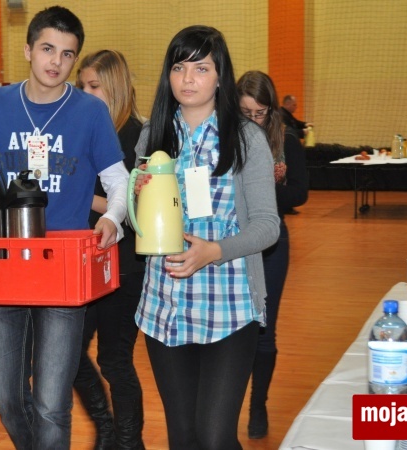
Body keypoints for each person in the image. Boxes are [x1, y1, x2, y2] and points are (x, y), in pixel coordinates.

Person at [0, 6, 128, 449]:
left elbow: (118, 180)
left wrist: (112, 217)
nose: (56, 61)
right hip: (4, 265)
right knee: (7, 399)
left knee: (51, 404)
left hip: (63, 270)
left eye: (67, 54)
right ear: (28, 49)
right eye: (48, 49)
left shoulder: (90, 111)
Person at [133, 26, 280, 449]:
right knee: (183, 437)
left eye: (201, 68)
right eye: (179, 67)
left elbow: (268, 225)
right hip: (165, 306)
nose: (188, 79)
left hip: (228, 306)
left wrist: (215, 251)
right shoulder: (154, 134)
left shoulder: (246, 138)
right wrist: (136, 200)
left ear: (220, 77)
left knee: (215, 437)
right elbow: (138, 223)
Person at [75, 49, 145, 449]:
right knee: (68, 355)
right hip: (86, 260)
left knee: (115, 361)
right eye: (82, 86)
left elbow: (140, 213)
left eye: (94, 86)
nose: (85, 93)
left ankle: (128, 442)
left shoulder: (137, 136)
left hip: (125, 264)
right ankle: (106, 431)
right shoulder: (88, 130)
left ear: (115, 87)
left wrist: (86, 197)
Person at [237, 70, 309, 440]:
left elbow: (300, 193)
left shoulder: (287, 141)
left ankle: (258, 404)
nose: (253, 120)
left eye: (259, 113)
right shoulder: (226, 139)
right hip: (233, 245)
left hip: (271, 247)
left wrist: (263, 189)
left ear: (272, 109)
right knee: (236, 332)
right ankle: (228, 405)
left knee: (264, 331)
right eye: (245, 113)